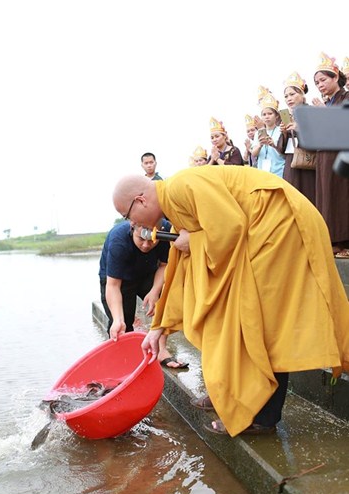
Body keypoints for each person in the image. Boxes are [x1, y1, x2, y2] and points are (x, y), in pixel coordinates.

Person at [112, 168, 349, 437]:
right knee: (225, 312)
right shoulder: (174, 208)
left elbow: (230, 228)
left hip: (279, 225)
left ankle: (262, 416)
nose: (132, 224)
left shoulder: (181, 188)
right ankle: (229, 394)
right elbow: (181, 271)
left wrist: (195, 240)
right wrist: (158, 328)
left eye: (128, 216)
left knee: (260, 318)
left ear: (140, 200)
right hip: (261, 230)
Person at [99, 219, 188, 369]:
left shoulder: (165, 231)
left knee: (163, 301)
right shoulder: (119, 240)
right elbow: (113, 285)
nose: (146, 245)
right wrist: (118, 319)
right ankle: (122, 361)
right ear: (132, 228)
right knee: (123, 322)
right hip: (118, 279)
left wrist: (154, 291)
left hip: (148, 272)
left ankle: (161, 350)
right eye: (141, 239)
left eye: (152, 240)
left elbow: (164, 266)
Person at [312, 52, 349, 257]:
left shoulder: (346, 97)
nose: (320, 85)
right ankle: (333, 239)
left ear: (336, 78)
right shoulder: (328, 102)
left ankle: (345, 241)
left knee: (341, 197)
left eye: (323, 80)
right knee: (327, 197)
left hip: (340, 156)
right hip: (324, 157)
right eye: (317, 82)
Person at [276, 71, 316, 205]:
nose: (289, 98)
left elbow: (320, 139)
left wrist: (299, 129)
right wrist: (284, 133)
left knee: (308, 199)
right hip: (291, 162)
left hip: (307, 163)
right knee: (291, 200)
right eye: (286, 96)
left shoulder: (312, 112)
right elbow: (281, 150)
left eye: (292, 94)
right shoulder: (287, 115)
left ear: (302, 95)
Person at [251, 92, 285, 177]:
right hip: (263, 172)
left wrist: (273, 145)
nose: (267, 116)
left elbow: (284, 153)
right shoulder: (258, 133)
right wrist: (260, 145)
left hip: (279, 171)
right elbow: (254, 154)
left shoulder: (281, 130)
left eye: (270, 114)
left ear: (276, 116)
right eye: (264, 114)